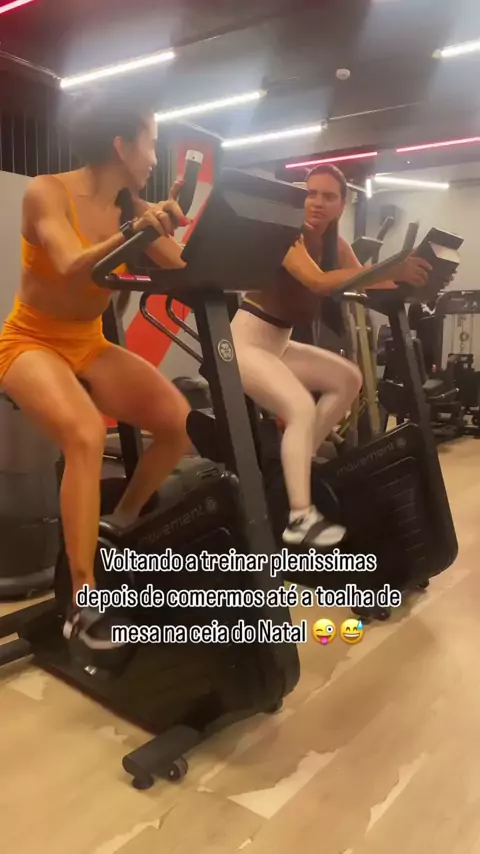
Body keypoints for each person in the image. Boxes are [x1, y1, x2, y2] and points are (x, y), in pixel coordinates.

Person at [0, 92, 191, 651]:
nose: (155, 157)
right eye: (151, 143)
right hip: (28, 340)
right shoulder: (47, 191)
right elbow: (68, 263)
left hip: (87, 342)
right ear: (121, 146)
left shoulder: (133, 206)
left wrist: (179, 230)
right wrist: (136, 231)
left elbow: (185, 268)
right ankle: (83, 602)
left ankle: (120, 526)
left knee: (177, 421)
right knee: (85, 434)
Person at [232, 164, 433, 548]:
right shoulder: (289, 235)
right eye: (311, 193)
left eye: (328, 196)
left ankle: (297, 465)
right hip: (244, 343)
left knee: (349, 378)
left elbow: (367, 280)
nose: (317, 202)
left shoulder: (335, 246)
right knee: (300, 409)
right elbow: (318, 282)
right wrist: (392, 267)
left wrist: (415, 279)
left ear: (342, 204)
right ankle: (299, 518)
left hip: (278, 344)